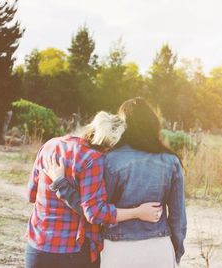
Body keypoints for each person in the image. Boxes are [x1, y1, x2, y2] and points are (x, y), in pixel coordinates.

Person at [45, 97, 187, 267]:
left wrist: (62, 186)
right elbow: (178, 218)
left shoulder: (107, 160)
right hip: (158, 246)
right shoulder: (171, 161)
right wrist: (176, 251)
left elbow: (93, 210)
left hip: (117, 249)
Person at [25, 111, 163, 268]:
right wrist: (137, 212)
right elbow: (95, 212)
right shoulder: (93, 159)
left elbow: (31, 194)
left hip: (37, 247)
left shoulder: (49, 145)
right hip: (71, 252)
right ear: (111, 145)